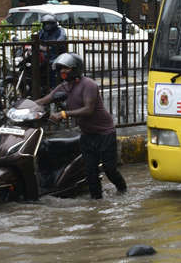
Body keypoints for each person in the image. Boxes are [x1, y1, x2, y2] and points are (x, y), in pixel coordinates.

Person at [36, 52, 127, 198]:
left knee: (110, 169)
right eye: (60, 69)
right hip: (87, 134)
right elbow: (44, 100)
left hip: (105, 133)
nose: (62, 72)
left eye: (66, 69)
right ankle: (97, 204)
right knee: (90, 172)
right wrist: (24, 106)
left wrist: (64, 114)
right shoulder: (64, 87)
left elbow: (88, 109)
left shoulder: (88, 85)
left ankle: (123, 191)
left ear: (76, 69)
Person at [38, 13, 67, 88]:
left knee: (52, 69)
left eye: (49, 24)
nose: (47, 26)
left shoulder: (60, 31)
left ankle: (53, 88)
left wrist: (49, 46)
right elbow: (36, 40)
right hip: (44, 56)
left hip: (56, 56)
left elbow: (60, 41)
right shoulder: (42, 32)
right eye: (45, 24)